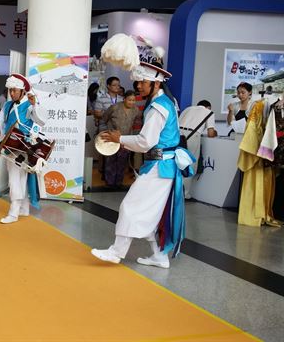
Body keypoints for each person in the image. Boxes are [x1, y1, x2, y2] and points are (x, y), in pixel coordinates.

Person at [91, 61, 195, 268]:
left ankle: (116, 252)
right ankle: (159, 255)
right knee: (150, 212)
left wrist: (120, 139)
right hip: (161, 166)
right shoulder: (165, 102)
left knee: (129, 206)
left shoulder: (158, 107)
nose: (138, 86)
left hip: (160, 167)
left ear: (155, 84)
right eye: (137, 82)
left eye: (142, 82)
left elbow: (145, 142)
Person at [0, 74, 46, 224]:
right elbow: (0, 122)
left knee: (14, 178)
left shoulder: (29, 104)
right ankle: (24, 208)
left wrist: (35, 105)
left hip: (23, 146)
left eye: (14, 90)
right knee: (20, 177)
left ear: (22, 91)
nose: (11, 93)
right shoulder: (7, 105)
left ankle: (13, 212)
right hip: (9, 145)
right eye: (10, 90)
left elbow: (41, 120)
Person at [102, 90, 142, 189]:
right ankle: (109, 182)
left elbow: (137, 120)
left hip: (126, 139)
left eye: (133, 100)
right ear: (124, 99)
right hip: (112, 137)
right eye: (129, 100)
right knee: (110, 160)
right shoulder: (114, 107)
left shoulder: (136, 110)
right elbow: (105, 117)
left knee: (122, 161)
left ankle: (118, 183)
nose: (132, 102)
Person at [179, 100, 218, 199]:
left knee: (178, 163)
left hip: (178, 135)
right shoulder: (209, 112)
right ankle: (185, 194)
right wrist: (215, 132)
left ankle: (173, 192)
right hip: (192, 136)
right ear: (208, 107)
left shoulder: (188, 109)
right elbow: (210, 133)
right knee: (190, 165)